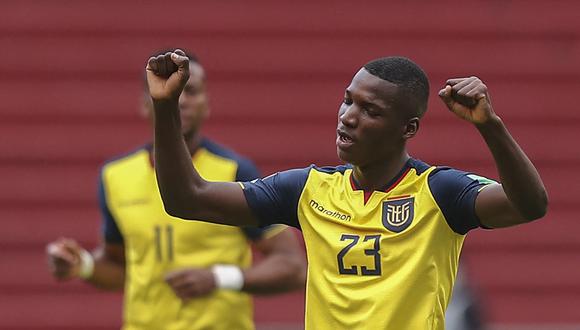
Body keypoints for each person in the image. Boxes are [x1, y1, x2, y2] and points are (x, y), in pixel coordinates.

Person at [147, 50, 548, 329]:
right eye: (348, 101)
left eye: (371, 111)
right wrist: (165, 107)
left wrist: (489, 125)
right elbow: (187, 198)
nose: (348, 118)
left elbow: (529, 205)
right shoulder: (308, 188)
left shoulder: (440, 192)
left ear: (407, 129)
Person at [46, 51, 307, 330]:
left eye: (191, 91)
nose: (180, 99)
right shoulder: (115, 176)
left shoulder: (234, 171)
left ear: (207, 103)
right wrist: (82, 264)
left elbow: (292, 267)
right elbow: (123, 269)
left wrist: (219, 277)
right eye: (168, 91)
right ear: (144, 103)